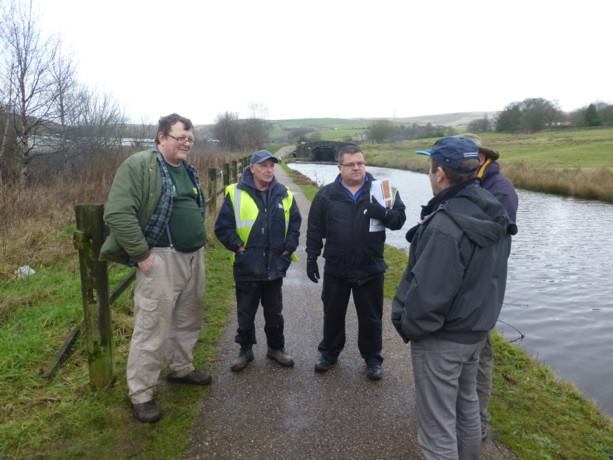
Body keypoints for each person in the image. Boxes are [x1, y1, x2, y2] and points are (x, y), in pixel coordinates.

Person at [391, 136, 517, 459]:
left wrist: (407, 324)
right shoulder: (494, 211)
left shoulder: (446, 225)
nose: (429, 173)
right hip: (474, 330)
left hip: (442, 338)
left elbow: (429, 295)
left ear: (441, 174)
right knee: (466, 408)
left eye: (430, 167)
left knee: (437, 430)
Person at [100, 113, 211, 424]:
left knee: (188, 318)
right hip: (161, 259)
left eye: (190, 139)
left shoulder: (187, 170)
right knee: (152, 326)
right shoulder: (140, 165)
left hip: (192, 257)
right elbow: (118, 213)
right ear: (161, 137)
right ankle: (142, 392)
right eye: (180, 137)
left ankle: (181, 368)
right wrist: (141, 253)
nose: (186, 143)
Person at [306, 144, 406, 380]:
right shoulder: (326, 195)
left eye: (360, 163)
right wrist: (311, 257)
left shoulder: (383, 191)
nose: (357, 168)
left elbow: (399, 221)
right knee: (333, 314)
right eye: (351, 164)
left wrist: (381, 212)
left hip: (370, 267)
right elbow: (314, 229)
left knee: (371, 317)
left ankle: (373, 358)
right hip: (336, 268)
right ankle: (329, 353)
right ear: (340, 167)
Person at [215, 150, 301, 372]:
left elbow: (294, 225)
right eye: (263, 165)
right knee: (246, 312)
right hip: (247, 266)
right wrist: (238, 248)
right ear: (252, 168)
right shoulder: (235, 193)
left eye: (272, 165)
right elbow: (222, 228)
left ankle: (276, 349)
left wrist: (288, 249)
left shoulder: (285, 194)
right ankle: (245, 350)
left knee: (274, 313)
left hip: (274, 267)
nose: (269, 169)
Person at [456, 133, 519, 441]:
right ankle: (466, 418)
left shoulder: (500, 190)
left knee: (480, 358)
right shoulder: (476, 184)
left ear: (480, 158)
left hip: (483, 286)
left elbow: (492, 242)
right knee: (469, 357)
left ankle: (478, 424)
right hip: (468, 285)